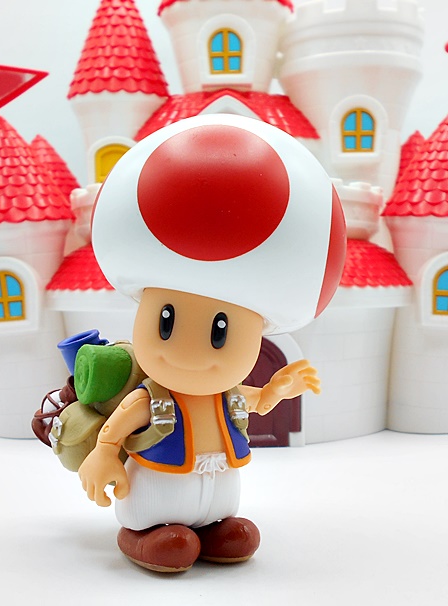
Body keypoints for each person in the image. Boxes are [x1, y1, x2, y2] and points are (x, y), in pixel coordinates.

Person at [79, 114, 346, 572]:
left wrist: (277, 389)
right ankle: (144, 534)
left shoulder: (227, 395)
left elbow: (254, 402)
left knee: (229, 525)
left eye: (219, 332)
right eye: (166, 322)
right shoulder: (152, 398)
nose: (188, 352)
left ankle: (212, 528)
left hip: (216, 481)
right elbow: (118, 428)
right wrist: (103, 454)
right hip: (157, 484)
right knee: (166, 531)